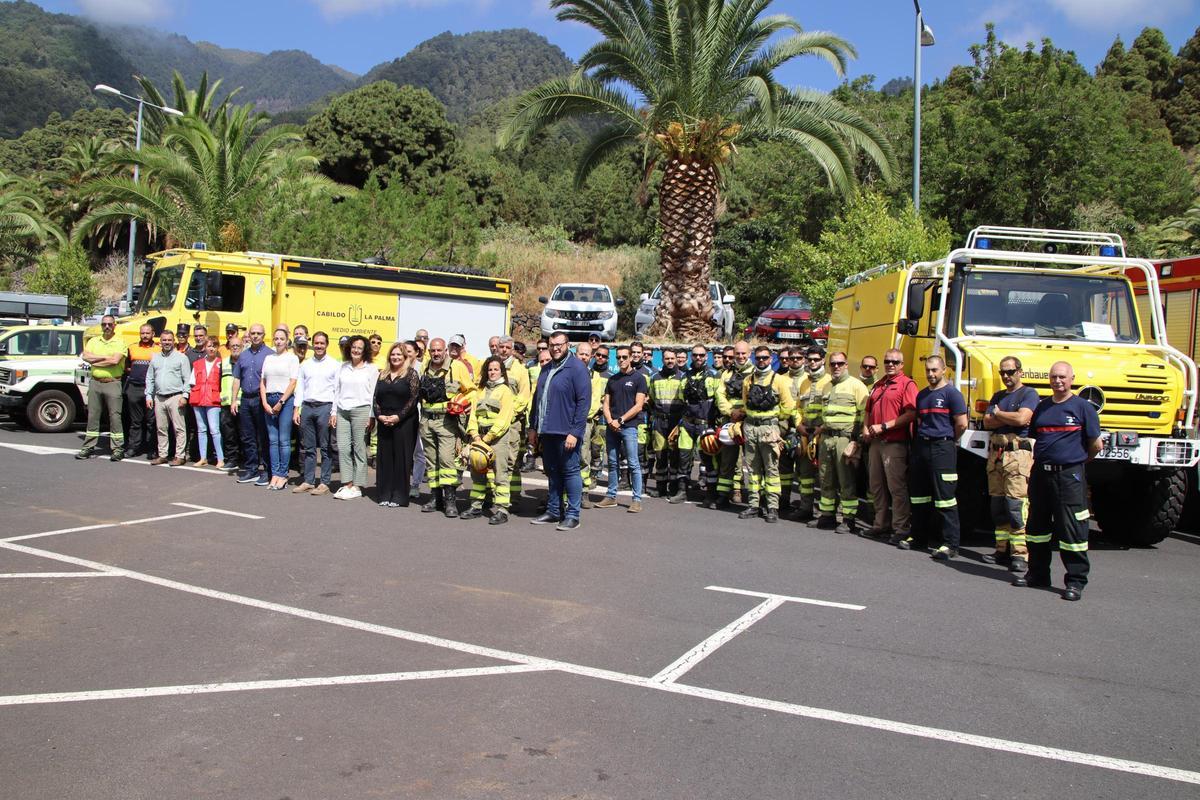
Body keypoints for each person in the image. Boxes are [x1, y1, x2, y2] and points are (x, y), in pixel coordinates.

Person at [1018, 361, 1101, 601]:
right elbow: (1036, 437)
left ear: (1072, 378)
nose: (1058, 381)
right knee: (1037, 528)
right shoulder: (1042, 407)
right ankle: (1037, 574)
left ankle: (1075, 581)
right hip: (1041, 474)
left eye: (1062, 377)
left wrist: (1075, 462)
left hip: (1069, 476)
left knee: (1071, 529)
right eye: (1054, 377)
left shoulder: (1083, 408)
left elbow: (1095, 445)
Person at [903, 355, 968, 557]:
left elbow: (962, 424)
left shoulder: (952, 394)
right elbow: (920, 422)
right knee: (919, 495)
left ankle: (950, 544)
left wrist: (947, 440)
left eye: (934, 370)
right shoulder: (922, 395)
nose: (930, 374)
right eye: (928, 370)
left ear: (944, 370)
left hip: (942, 447)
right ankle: (918, 537)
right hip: (922, 446)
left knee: (945, 498)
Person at [982, 356, 1040, 575]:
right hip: (996, 455)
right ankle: (1001, 550)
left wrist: (998, 414)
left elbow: (1022, 419)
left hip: (1018, 456)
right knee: (998, 507)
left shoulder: (1029, 394)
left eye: (1010, 372)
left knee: (1016, 506)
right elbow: (987, 422)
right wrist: (1006, 417)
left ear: (1020, 372)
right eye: (1002, 373)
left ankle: (1020, 554)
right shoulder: (998, 396)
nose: (1006, 376)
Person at [529, 331, 591, 531]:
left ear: (567, 345)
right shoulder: (546, 368)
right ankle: (554, 510)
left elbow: (583, 403)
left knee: (571, 472)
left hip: (567, 432)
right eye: (552, 345)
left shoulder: (577, 368)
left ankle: (573, 515)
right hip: (547, 430)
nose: (555, 348)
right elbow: (537, 400)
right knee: (552, 472)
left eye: (559, 344)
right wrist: (533, 427)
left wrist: (575, 432)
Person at [862, 348, 917, 543]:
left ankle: (901, 528)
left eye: (895, 362)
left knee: (896, 487)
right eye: (887, 361)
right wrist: (866, 428)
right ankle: (880, 524)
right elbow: (868, 410)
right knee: (876, 485)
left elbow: (911, 414)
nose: (890, 365)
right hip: (876, 442)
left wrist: (885, 426)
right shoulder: (879, 384)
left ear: (902, 364)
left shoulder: (907, 384)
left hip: (894, 442)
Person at [811, 352, 869, 533]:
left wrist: (857, 441)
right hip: (827, 438)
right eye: (833, 364)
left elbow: (864, 416)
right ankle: (827, 515)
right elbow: (824, 414)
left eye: (840, 363)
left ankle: (848, 518)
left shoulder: (857, 386)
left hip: (845, 438)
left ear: (846, 365)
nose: (836, 366)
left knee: (846, 480)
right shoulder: (827, 386)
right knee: (825, 478)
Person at [419, 337, 477, 516]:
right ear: (429, 352)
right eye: (433, 350)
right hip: (426, 421)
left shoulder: (457, 367)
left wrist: (462, 401)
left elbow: (471, 391)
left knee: (446, 461)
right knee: (431, 461)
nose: (436, 353)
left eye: (439, 350)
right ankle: (435, 498)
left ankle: (450, 501)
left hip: (447, 422)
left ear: (445, 351)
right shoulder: (425, 367)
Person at [738, 345, 795, 522]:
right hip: (751, 427)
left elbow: (788, 406)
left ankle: (772, 508)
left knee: (771, 469)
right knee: (752, 469)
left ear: (771, 359)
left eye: (764, 357)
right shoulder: (748, 380)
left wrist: (776, 423)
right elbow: (745, 403)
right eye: (758, 358)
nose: (761, 360)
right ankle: (754, 505)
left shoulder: (779, 380)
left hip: (769, 429)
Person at [464, 356, 519, 523]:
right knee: (477, 474)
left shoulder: (505, 391)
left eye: (496, 369)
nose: (492, 372)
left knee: (500, 474)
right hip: (479, 437)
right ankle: (476, 506)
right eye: (490, 369)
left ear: (502, 372)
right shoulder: (480, 391)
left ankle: (502, 510)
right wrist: (475, 435)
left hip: (497, 439)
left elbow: (504, 419)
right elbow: (473, 415)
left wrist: (487, 438)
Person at [597, 345, 648, 512]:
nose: (621, 360)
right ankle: (611, 496)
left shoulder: (639, 379)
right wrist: (610, 421)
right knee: (612, 463)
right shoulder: (613, 379)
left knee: (633, 463)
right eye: (618, 357)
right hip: (612, 427)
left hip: (629, 427)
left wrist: (620, 420)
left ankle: (636, 500)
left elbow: (639, 405)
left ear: (631, 358)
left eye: (624, 357)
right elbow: (606, 404)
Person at [374, 342, 421, 507]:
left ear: (405, 357)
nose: (395, 357)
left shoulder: (411, 374)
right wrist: (379, 415)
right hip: (384, 421)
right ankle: (384, 493)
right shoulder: (383, 374)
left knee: (401, 458)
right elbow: (375, 398)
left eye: (399, 354)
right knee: (385, 457)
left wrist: (398, 417)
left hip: (404, 422)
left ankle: (399, 496)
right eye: (393, 354)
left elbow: (414, 399)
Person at [293, 331, 339, 495]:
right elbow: (300, 388)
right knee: (309, 447)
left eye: (322, 343)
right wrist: (297, 409)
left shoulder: (334, 364)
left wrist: (334, 412)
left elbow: (337, 390)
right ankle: (308, 481)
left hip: (325, 407)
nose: (319, 346)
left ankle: (324, 482)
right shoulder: (305, 365)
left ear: (327, 345)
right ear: (313, 345)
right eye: (317, 343)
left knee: (325, 447)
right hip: (307, 407)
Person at [787, 346, 830, 520]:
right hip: (805, 433)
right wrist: (799, 425)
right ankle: (805, 508)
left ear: (823, 360)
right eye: (810, 359)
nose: (812, 362)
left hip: (823, 433)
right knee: (804, 475)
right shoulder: (804, 382)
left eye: (816, 359)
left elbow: (832, 409)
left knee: (826, 475)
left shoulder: (829, 381)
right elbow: (797, 408)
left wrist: (822, 428)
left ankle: (828, 513)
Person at [332, 335, 377, 500]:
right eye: (354, 347)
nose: (356, 350)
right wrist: (333, 412)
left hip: (361, 410)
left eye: (360, 348)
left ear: (365, 351)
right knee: (343, 447)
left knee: (359, 448)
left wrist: (372, 416)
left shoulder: (371, 369)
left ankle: (357, 486)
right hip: (342, 410)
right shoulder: (342, 367)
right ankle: (347, 484)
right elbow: (336, 390)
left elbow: (373, 394)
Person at [77, 314, 127, 460]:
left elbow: (115, 361)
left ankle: (117, 449)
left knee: (115, 417)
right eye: (104, 324)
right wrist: (105, 358)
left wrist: (96, 360)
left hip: (113, 382)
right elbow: (85, 357)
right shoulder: (93, 341)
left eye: (110, 324)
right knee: (93, 416)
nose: (107, 327)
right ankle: (88, 447)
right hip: (95, 382)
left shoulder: (120, 342)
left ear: (114, 325)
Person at [677, 345, 719, 506]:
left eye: (701, 355)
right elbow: (681, 398)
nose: (698, 358)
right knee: (683, 458)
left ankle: (711, 495)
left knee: (708, 460)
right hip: (687, 424)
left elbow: (718, 400)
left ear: (706, 356)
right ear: (691, 356)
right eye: (695, 355)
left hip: (705, 425)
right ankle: (682, 491)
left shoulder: (714, 375)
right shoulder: (684, 376)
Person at [714, 341, 753, 508]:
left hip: (749, 421)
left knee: (752, 462)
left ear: (749, 354)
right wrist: (731, 412)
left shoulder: (755, 373)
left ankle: (753, 498)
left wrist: (742, 412)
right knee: (727, 460)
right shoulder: (726, 374)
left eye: (744, 353)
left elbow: (756, 397)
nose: (740, 356)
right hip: (730, 420)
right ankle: (723, 495)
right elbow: (720, 395)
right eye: (738, 353)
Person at [232, 324, 271, 486]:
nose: (255, 336)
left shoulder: (270, 355)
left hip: (261, 399)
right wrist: (234, 400)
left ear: (264, 335)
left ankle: (267, 471)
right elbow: (237, 378)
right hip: (246, 400)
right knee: (247, 437)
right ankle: (251, 469)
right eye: (253, 333)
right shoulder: (243, 355)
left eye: (258, 333)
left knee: (263, 436)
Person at [145, 330, 191, 466]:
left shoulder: (181, 358)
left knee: (179, 429)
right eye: (164, 340)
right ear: (160, 342)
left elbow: (187, 379)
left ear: (173, 341)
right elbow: (150, 378)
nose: (167, 342)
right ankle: (163, 455)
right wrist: (149, 395)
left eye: (169, 340)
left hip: (175, 396)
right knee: (161, 428)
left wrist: (185, 396)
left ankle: (180, 456)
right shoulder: (155, 358)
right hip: (159, 397)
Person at [261, 329, 299, 489]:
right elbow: (263, 382)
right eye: (276, 338)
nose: (278, 341)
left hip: (285, 400)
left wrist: (281, 402)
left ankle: (283, 474)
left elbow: (293, 382)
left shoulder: (292, 358)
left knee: (283, 440)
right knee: (273, 440)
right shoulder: (268, 358)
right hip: (269, 399)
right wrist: (264, 402)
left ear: (287, 340)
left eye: (281, 339)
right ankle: (274, 474)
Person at [497, 335, 531, 506]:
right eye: (501, 347)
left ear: (512, 350)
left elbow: (524, 396)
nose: (504, 350)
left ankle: (514, 496)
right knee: (494, 460)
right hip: (493, 422)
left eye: (507, 347)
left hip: (512, 423)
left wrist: (508, 413)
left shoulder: (520, 370)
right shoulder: (492, 366)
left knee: (512, 461)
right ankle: (497, 496)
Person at [647, 348, 685, 498]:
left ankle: (674, 487)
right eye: (667, 358)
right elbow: (651, 398)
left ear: (676, 359)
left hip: (676, 421)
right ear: (662, 360)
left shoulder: (683, 377)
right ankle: (660, 487)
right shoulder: (655, 378)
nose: (670, 361)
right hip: (659, 421)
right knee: (660, 455)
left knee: (675, 456)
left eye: (672, 358)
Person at [188, 338, 225, 468]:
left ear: (217, 348)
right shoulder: (197, 364)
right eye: (209, 346)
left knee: (214, 430)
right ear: (205, 347)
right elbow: (192, 382)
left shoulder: (221, 363)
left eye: (214, 346)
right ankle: (203, 458)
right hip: (198, 399)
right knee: (201, 430)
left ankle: (220, 458)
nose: (211, 348)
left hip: (213, 400)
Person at [124, 324, 156, 459]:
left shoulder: (159, 349)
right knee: (135, 421)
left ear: (153, 334)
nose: (145, 336)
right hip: (134, 388)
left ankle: (152, 449)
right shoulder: (132, 348)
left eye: (147, 333)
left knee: (151, 421)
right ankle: (133, 447)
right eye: (142, 333)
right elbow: (126, 367)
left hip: (151, 389)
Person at [219, 336, 243, 473]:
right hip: (226, 404)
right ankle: (231, 460)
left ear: (242, 347)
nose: (235, 348)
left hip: (242, 403)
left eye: (237, 345)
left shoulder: (246, 362)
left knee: (244, 434)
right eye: (232, 345)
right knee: (229, 434)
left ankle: (245, 460)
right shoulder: (223, 363)